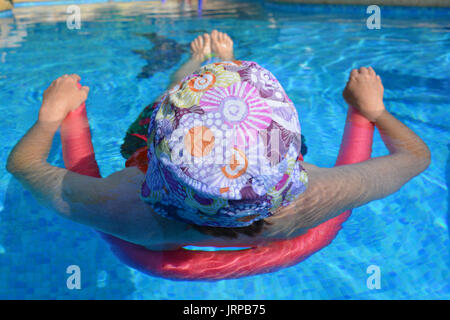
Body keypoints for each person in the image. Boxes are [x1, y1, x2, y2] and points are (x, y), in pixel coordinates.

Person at [6, 30, 431, 251]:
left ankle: (192, 66)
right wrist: (374, 111)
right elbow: (414, 157)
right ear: (292, 164)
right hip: (280, 197)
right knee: (210, 108)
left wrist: (49, 117)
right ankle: (225, 64)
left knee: (173, 90)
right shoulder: (315, 196)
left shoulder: (122, 205)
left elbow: (24, 166)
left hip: (153, 188)